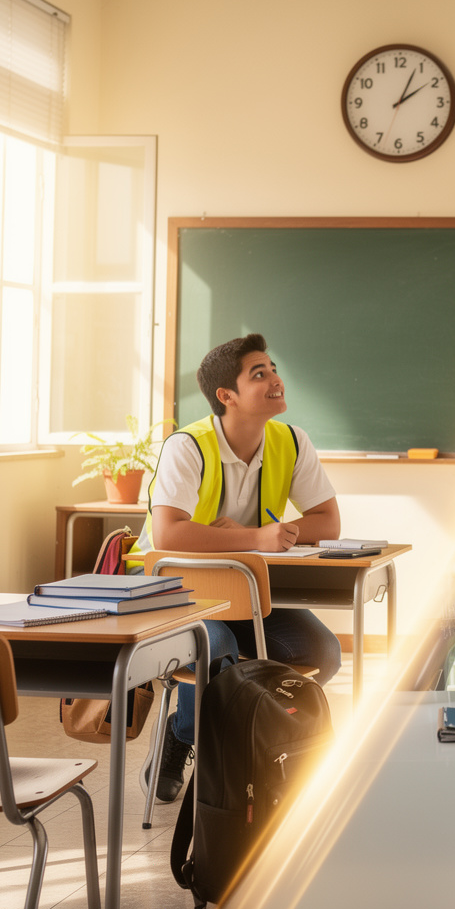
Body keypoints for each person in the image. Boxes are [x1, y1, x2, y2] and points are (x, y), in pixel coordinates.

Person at [133, 333, 342, 802]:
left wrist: (250, 537)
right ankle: (188, 734)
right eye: (259, 374)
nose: (276, 380)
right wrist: (253, 538)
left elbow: (327, 522)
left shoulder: (291, 440)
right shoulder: (187, 446)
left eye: (273, 369)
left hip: (247, 590)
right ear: (226, 396)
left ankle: (217, 728)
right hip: (177, 593)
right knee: (219, 650)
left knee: (323, 653)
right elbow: (168, 536)